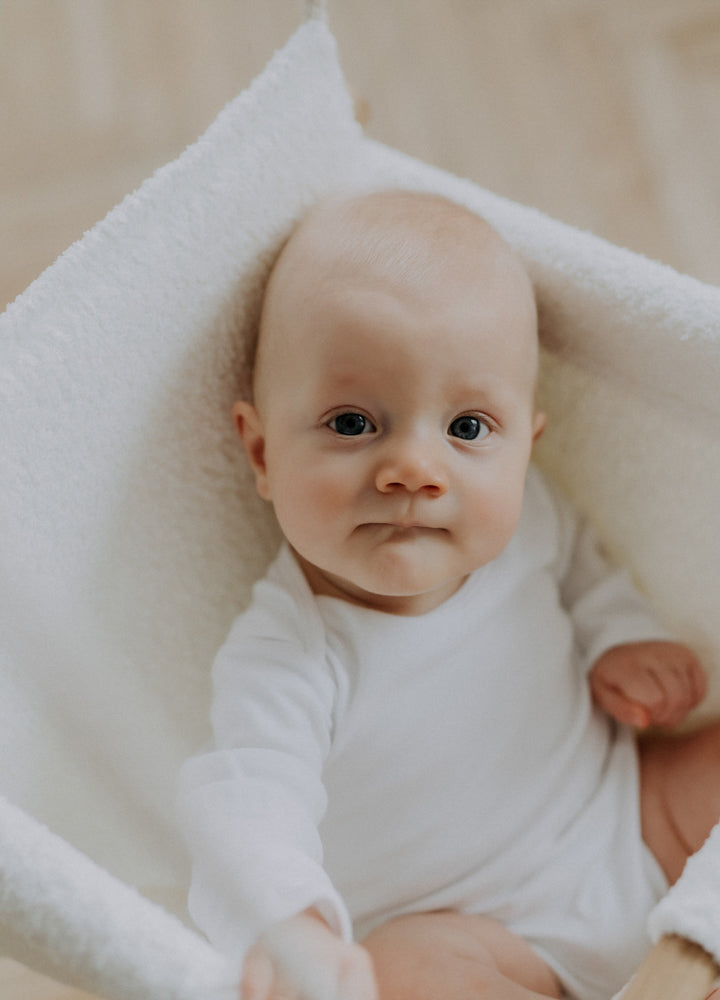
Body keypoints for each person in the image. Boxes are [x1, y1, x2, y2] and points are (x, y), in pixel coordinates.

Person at [176, 189, 720, 1000]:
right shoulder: (290, 654)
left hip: (631, 811)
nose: (414, 470)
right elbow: (248, 802)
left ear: (524, 448)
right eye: (353, 423)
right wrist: (289, 920)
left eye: (467, 429)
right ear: (261, 453)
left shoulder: (527, 517)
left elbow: (580, 565)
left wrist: (621, 637)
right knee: (403, 973)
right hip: (477, 935)